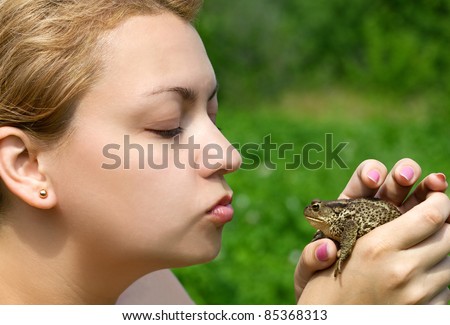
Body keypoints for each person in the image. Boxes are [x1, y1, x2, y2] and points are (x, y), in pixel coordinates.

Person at [0, 0, 448, 305]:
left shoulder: (144, 289)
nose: (229, 155)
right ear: (28, 166)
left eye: (212, 115)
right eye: (168, 126)